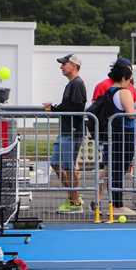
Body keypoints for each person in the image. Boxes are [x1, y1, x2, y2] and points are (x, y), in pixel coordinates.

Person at [100, 60, 136, 216]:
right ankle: (118, 205)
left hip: (114, 134)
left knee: (115, 170)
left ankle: (115, 203)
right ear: (126, 76)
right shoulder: (124, 92)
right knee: (119, 170)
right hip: (123, 135)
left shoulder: (110, 90)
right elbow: (131, 114)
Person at [43, 54, 87, 214]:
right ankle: (73, 197)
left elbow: (75, 109)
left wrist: (54, 109)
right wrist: (53, 108)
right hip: (66, 131)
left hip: (72, 132)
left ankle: (75, 202)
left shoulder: (77, 84)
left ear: (74, 65)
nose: (61, 67)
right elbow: (67, 106)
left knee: (68, 167)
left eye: (64, 64)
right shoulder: (72, 84)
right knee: (56, 163)